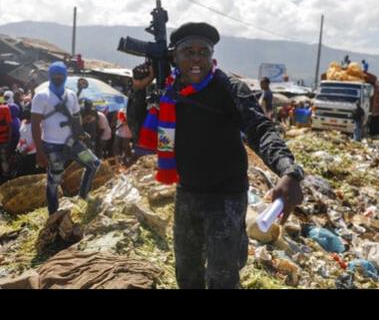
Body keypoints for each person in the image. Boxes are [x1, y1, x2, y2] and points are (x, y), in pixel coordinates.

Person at [127, 22, 304, 289]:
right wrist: (139, 90)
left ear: (211, 56)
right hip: (188, 192)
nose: (196, 58)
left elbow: (261, 129)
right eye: (188, 51)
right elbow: (139, 131)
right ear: (175, 56)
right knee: (187, 273)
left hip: (227, 197)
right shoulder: (168, 91)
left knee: (222, 277)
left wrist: (288, 170)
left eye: (203, 51)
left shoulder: (230, 88)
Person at [31, 61, 100, 215]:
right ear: (50, 75)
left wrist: (80, 132)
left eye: (61, 75)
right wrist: (39, 151)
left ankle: (83, 195)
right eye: (55, 74)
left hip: (73, 142)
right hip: (52, 146)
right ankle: (53, 214)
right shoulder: (41, 96)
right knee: (54, 182)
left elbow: (76, 117)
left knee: (94, 163)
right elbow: (35, 125)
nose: (58, 77)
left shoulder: (71, 95)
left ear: (65, 76)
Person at [15, 104, 38, 176]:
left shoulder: (36, 124)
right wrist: (19, 146)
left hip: (32, 153)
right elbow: (22, 136)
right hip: (22, 151)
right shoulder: (23, 122)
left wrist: (27, 150)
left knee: (30, 172)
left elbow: (37, 140)